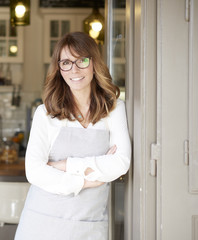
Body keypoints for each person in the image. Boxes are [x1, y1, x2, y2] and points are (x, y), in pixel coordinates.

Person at [14, 32, 131, 240]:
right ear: (59, 68)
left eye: (82, 61)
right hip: (42, 224)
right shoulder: (46, 113)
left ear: (94, 63)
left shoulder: (113, 109)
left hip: (89, 225)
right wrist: (85, 181)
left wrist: (63, 165)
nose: (74, 70)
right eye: (66, 62)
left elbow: (120, 163)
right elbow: (34, 172)